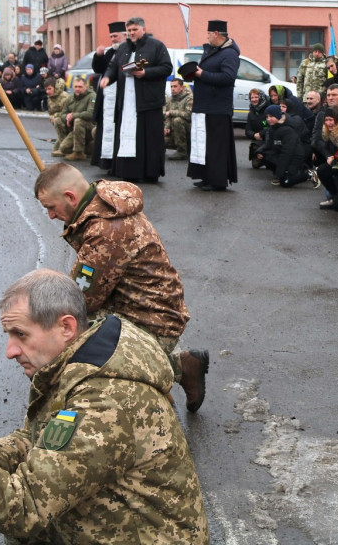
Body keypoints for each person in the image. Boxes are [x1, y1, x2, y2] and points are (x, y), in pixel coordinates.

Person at [0, 270, 209, 543]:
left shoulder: (103, 403)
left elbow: (26, 504)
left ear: (66, 327)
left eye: (21, 335)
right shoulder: (83, 359)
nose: (10, 351)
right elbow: (42, 437)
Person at [33, 164, 208, 411]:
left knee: (69, 330)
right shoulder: (105, 199)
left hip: (152, 322)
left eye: (51, 207)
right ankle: (182, 367)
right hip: (146, 308)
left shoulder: (105, 230)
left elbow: (84, 300)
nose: (50, 216)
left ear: (71, 197)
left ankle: (150, 378)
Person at [99, 17, 172, 183]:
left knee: (147, 138)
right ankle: (128, 171)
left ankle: (149, 173)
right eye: (129, 30)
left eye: (135, 30)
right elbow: (113, 66)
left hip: (148, 101)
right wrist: (108, 78)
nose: (132, 33)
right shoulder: (123, 48)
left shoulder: (156, 46)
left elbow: (167, 67)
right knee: (127, 134)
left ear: (143, 30)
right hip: (127, 101)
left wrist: (145, 73)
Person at [184, 20, 239, 191]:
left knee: (216, 147)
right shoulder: (212, 51)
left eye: (208, 33)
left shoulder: (229, 54)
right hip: (205, 105)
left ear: (216, 33)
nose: (206, 36)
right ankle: (206, 176)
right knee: (204, 144)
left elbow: (227, 78)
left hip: (217, 107)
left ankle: (218, 180)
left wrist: (202, 74)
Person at [91, 21, 128, 169]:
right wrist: (99, 56)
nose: (113, 39)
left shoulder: (128, 52)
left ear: (124, 36)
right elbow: (99, 69)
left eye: (115, 36)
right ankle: (105, 162)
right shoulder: (110, 52)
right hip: (107, 99)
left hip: (121, 99)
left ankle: (117, 164)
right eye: (111, 36)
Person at [257, 104, 312, 187]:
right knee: (264, 155)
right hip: (281, 153)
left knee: (285, 183)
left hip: (295, 157)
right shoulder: (273, 128)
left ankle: (308, 174)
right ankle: (283, 174)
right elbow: (269, 144)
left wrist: (280, 171)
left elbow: (287, 152)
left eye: (271, 116)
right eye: (267, 117)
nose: (268, 119)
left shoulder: (287, 130)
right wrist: (259, 151)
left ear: (278, 115)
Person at [59, 77, 96, 161]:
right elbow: (62, 114)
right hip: (75, 129)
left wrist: (73, 116)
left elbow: (91, 114)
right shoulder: (71, 98)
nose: (77, 89)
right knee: (64, 148)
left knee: (78, 121)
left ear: (85, 87)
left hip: (90, 128)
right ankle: (87, 148)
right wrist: (67, 118)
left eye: (80, 87)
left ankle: (79, 152)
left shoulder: (92, 96)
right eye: (75, 87)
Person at [164, 76, 194, 160]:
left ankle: (182, 151)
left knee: (178, 120)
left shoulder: (190, 98)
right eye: (171, 86)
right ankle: (160, 149)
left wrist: (172, 112)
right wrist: (167, 127)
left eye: (175, 86)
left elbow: (189, 116)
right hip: (175, 132)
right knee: (159, 140)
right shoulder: (170, 100)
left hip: (187, 131)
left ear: (182, 87)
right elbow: (166, 116)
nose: (173, 89)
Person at [245, 87, 270, 167]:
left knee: (271, 163)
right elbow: (247, 131)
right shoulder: (251, 113)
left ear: (261, 98)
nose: (254, 100)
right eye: (252, 97)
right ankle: (261, 157)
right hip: (257, 141)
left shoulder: (268, 110)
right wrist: (253, 135)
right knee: (255, 165)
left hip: (269, 140)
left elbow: (272, 127)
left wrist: (261, 133)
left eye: (256, 97)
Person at [47, 78, 69, 155]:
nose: (47, 92)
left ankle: (66, 147)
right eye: (46, 89)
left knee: (57, 120)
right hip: (59, 124)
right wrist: (51, 117)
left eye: (49, 89)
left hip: (68, 123)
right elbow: (51, 112)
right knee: (54, 151)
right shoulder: (50, 98)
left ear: (55, 87)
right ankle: (62, 143)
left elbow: (67, 112)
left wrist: (55, 116)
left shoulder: (65, 97)